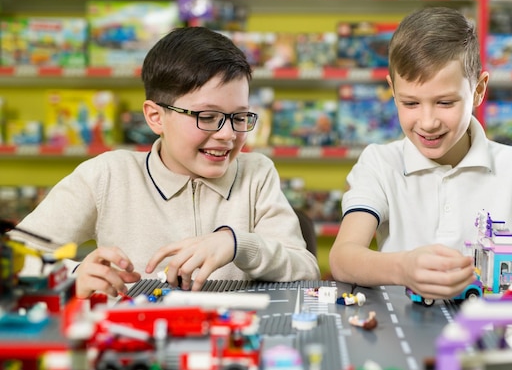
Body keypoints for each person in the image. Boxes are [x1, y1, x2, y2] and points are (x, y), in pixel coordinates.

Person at [329, 6, 512, 299]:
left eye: (445, 103)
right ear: (392, 90)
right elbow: (343, 258)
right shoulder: (380, 164)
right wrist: (403, 268)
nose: (428, 122)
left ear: (479, 90)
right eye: (410, 103)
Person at [11, 27, 320, 299]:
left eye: (239, 117)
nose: (227, 134)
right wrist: (74, 273)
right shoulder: (106, 175)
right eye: (208, 117)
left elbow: (306, 271)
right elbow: (14, 256)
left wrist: (237, 243)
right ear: (155, 116)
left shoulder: (257, 173)